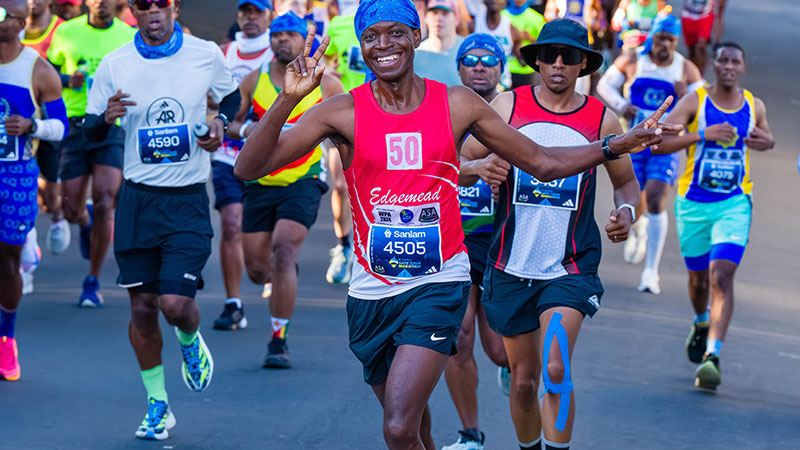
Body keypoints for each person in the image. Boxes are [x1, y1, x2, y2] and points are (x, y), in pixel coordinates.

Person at [234, 1, 675, 447]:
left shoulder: (456, 104)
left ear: (417, 36)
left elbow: (542, 162)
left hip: (438, 282)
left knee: (397, 428)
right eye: (371, 36)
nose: (384, 44)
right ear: (362, 46)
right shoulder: (341, 112)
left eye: (396, 32)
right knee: (414, 428)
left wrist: (614, 146)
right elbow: (248, 168)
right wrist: (288, 99)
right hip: (371, 291)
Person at [462, 19, 640, 450]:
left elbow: (626, 183)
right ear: (537, 61)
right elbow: (459, 162)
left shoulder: (602, 118)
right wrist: (480, 167)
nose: (558, 63)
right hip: (510, 265)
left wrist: (627, 212)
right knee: (523, 381)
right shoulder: (508, 106)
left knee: (556, 369)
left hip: (570, 267)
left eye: (569, 56)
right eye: (549, 55)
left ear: (583, 65)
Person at [83, 0, 240, 439]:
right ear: (133, 10)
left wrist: (220, 121)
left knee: (174, 305)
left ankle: (189, 340)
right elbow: (90, 128)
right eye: (143, 4)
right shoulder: (115, 63)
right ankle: (158, 404)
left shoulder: (204, 53)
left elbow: (231, 95)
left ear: (175, 8)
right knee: (142, 307)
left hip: (187, 199)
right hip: (138, 200)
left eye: (161, 3)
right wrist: (106, 118)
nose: (153, 10)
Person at [653, 42, 773, 390]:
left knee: (721, 276)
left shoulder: (754, 105)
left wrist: (765, 142)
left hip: (734, 203)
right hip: (693, 203)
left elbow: (766, 138)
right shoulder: (696, 102)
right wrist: (702, 134)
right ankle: (701, 319)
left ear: (743, 67)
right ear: (715, 66)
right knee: (699, 282)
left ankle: (712, 356)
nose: (730, 67)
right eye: (724, 61)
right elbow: (657, 142)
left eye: (736, 61)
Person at [228, 12, 341, 368]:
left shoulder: (327, 84)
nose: (283, 40)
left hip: (303, 179)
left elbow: (349, 127)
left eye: (291, 34)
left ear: (303, 40)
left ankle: (278, 340)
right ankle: (281, 276)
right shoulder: (254, 80)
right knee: (257, 269)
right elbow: (231, 122)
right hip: (260, 181)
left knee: (283, 252)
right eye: (277, 34)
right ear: (270, 40)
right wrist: (245, 130)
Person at [597, 14, 703, 294]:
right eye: (660, 38)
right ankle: (638, 224)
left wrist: (686, 95)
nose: (665, 44)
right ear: (652, 37)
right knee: (634, 196)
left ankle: (651, 272)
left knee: (656, 197)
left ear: (676, 42)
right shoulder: (633, 60)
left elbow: (703, 103)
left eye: (671, 39)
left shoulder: (685, 68)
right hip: (632, 141)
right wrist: (622, 105)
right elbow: (604, 85)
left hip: (664, 144)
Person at [441, 33, 510, 450]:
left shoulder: (513, 113)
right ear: (459, 67)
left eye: (488, 59)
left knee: (500, 350)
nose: (479, 66)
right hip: (453, 238)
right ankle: (471, 435)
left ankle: (511, 365)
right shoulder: (439, 110)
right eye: (470, 59)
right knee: (460, 337)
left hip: (501, 240)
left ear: (501, 68)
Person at [47, 0, 135, 307]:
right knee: (71, 208)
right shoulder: (66, 32)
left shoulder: (128, 35)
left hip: (112, 125)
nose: (103, 2)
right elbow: (48, 72)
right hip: (76, 124)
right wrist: (65, 80)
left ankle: (92, 281)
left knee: (105, 200)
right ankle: (86, 223)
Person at [1, 0, 68, 380]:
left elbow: (61, 126)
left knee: (7, 262)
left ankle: (6, 338)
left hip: (14, 174)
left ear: (18, 21)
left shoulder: (38, 69)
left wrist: (32, 126)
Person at [210, 0, 274, 331]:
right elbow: (209, 96)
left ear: (269, 16)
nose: (250, 18)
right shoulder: (224, 53)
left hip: (268, 159)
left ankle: (276, 270)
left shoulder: (278, 53)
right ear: (237, 16)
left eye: (257, 12)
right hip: (228, 153)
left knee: (265, 246)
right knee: (231, 224)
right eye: (245, 12)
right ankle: (233, 302)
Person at [22, 0, 70, 255]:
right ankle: (26, 244)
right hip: (16, 118)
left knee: (50, 194)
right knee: (25, 185)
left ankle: (58, 218)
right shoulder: (11, 27)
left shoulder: (62, 30)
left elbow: (67, 69)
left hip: (47, 115)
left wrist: (66, 79)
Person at [321, 2, 363, 285]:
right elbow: (326, 60)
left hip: (383, 113)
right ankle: (344, 245)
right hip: (348, 114)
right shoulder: (340, 25)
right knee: (340, 184)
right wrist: (328, 70)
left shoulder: (391, 20)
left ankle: (365, 246)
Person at [468, 0, 525, 89]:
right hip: (478, 85)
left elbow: (522, 62)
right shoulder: (473, 25)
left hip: (503, 85)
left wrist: (532, 46)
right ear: (484, 1)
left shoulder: (512, 29)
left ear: (505, 2)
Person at [414, 0, 464, 87]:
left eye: (445, 13)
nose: (438, 18)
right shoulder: (415, 55)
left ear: (456, 18)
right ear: (426, 17)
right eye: (434, 13)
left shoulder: (468, 52)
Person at [502, 0, 546, 89]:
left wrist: (530, 39)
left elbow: (544, 45)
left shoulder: (537, 18)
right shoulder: (501, 16)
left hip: (526, 70)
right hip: (504, 69)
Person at [680, 0, 717, 74]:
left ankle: (700, 74)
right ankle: (692, 73)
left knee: (701, 46)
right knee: (691, 48)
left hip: (705, 15)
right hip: (688, 15)